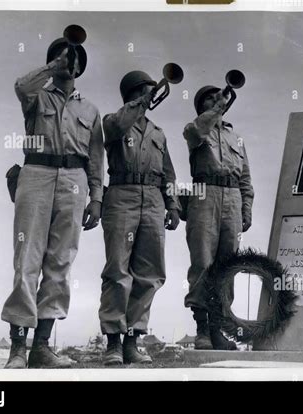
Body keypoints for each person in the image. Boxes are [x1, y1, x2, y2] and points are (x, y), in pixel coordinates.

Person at [1, 35, 104, 368]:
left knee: (60, 263)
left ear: (80, 67)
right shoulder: (36, 95)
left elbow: (95, 157)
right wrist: (51, 65)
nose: (67, 62)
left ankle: (41, 347)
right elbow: (20, 86)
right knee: (27, 257)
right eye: (60, 57)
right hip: (36, 172)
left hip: (74, 181)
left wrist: (97, 198)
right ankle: (17, 347)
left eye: (71, 58)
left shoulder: (90, 109)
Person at [100, 70, 180, 365]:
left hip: (154, 199)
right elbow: (119, 125)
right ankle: (112, 342)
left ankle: (133, 340)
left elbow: (168, 172)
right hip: (122, 194)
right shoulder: (113, 120)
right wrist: (139, 104)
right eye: (146, 91)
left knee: (149, 273)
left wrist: (173, 205)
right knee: (118, 269)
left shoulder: (158, 133)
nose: (152, 95)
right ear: (133, 95)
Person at [183, 85, 254, 350]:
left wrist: (246, 207)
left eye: (219, 98)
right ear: (201, 107)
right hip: (205, 193)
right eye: (210, 100)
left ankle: (217, 329)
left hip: (233, 197)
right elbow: (197, 131)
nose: (217, 101)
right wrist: (214, 111)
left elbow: (245, 176)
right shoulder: (194, 129)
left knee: (228, 265)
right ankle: (202, 328)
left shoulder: (236, 137)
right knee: (202, 262)